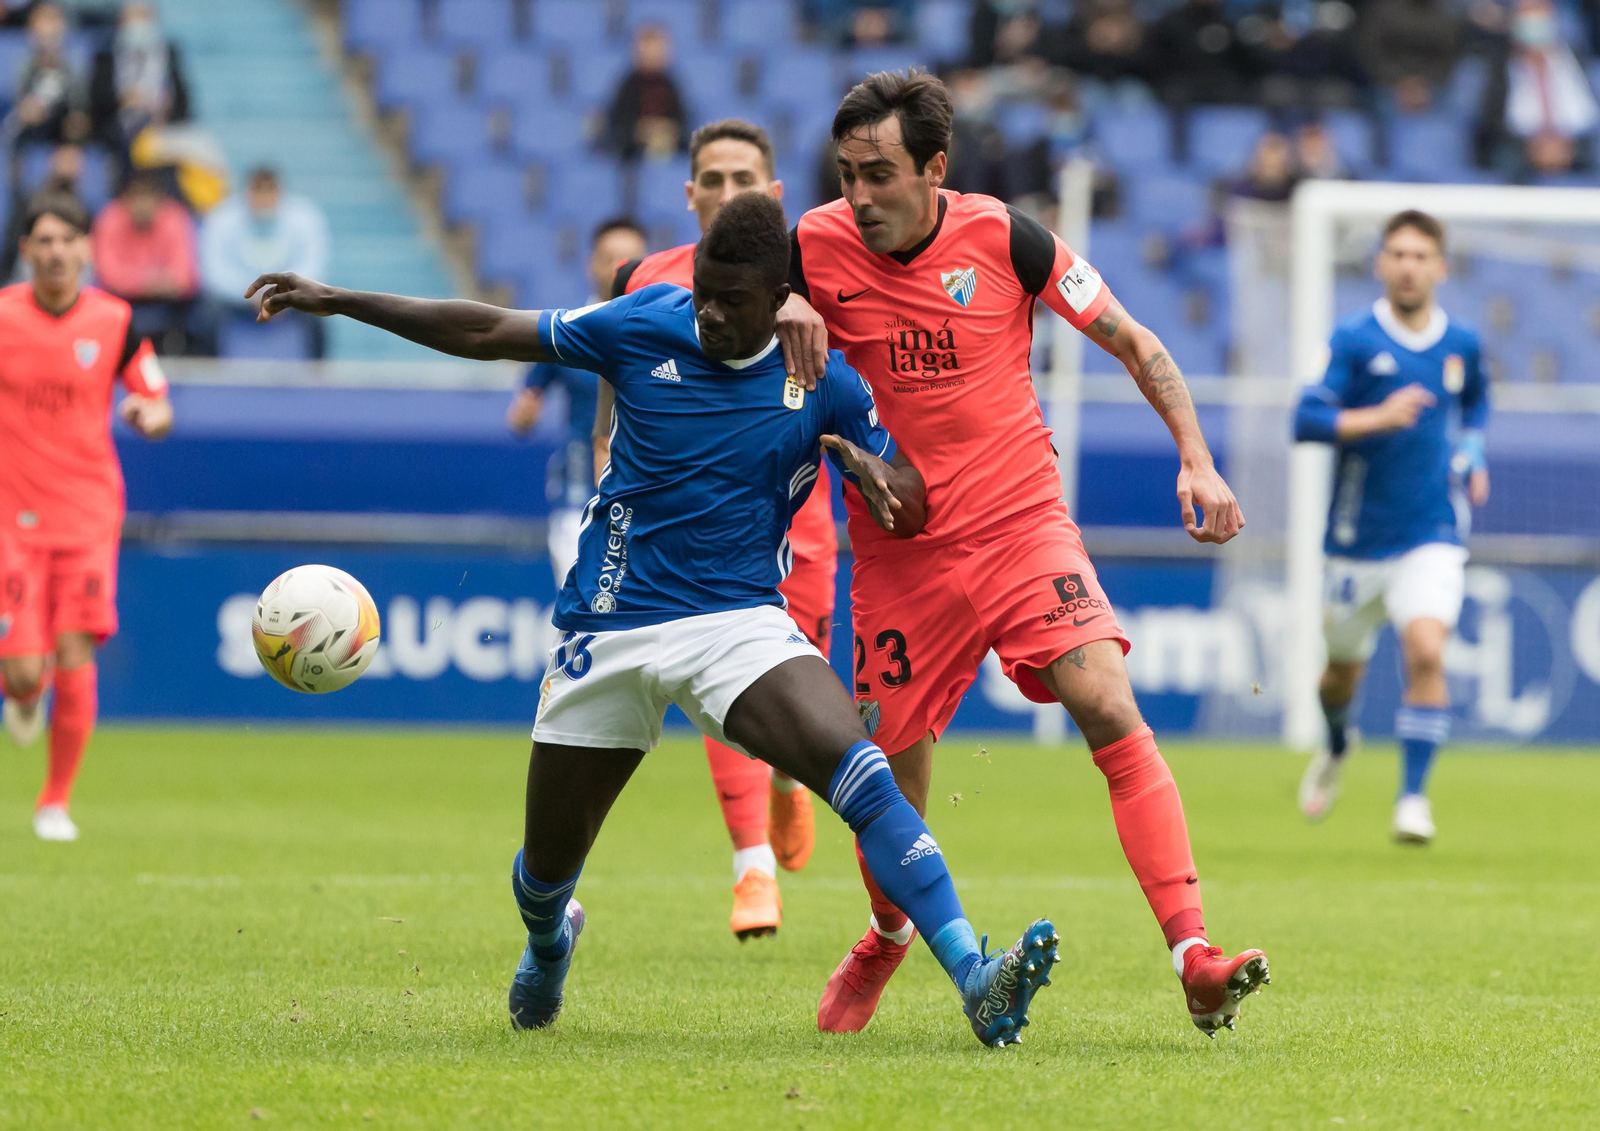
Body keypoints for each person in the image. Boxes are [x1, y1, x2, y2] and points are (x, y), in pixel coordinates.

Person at [246, 192, 1062, 1049]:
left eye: (730, 299)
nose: (707, 310)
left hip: (737, 624)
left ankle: (975, 973)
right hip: (612, 623)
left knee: (860, 772)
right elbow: (487, 330)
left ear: (777, 295)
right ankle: (550, 938)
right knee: (543, 871)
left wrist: (868, 471)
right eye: (703, 290)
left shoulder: (825, 382)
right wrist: (338, 299)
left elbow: (911, 505)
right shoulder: (643, 321)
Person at [775, 70, 1269, 1037]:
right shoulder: (811, 246)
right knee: (886, 786)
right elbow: (745, 352)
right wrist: (785, 312)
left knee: (1107, 705)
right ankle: (885, 935)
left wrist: (1198, 460)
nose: (859, 196)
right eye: (846, 175)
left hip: (1018, 526)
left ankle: (1194, 955)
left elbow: (1133, 339)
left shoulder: (1006, 237)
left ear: (935, 167)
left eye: (879, 174)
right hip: (899, 557)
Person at [600, 120, 831, 941]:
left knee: (806, 706)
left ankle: (786, 785)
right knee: (721, 695)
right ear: (688, 193)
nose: (726, 193)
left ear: (774, 197)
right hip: (687, 539)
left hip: (799, 528)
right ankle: (752, 871)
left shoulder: (815, 278)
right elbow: (611, 400)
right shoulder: (644, 282)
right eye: (711, 178)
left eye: (743, 179)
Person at [1294, 211, 1489, 844]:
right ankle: (1337, 742)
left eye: (1420, 255)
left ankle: (1412, 799)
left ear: (1441, 267)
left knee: (1427, 649)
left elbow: (1477, 403)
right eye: (1397, 254)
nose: (1408, 265)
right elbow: (1305, 419)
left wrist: (1474, 454)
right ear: (1379, 264)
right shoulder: (1353, 339)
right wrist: (1376, 418)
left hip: (1430, 531)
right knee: (1338, 678)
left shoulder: (1461, 343)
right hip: (1355, 541)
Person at [0, 192, 172, 841]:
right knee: (21, 671)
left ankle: (54, 801)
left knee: (74, 649)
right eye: (42, 241)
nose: (55, 252)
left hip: (88, 510)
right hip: (10, 515)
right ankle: (22, 692)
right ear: (26, 251)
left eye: (66, 240)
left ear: (85, 250)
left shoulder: (116, 320)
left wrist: (149, 415)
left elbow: (157, 399)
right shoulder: (3, 316)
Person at [507, 217, 645, 587]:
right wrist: (525, 411)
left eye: (630, 259)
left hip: (645, 497)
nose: (618, 267)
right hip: (579, 494)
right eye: (609, 257)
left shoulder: (661, 330)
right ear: (591, 264)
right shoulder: (565, 330)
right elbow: (521, 414)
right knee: (581, 599)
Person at [199, 165, 330, 357]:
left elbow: (313, 266)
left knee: (319, 311)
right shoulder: (222, 218)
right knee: (206, 314)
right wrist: (253, 294)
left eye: (269, 190)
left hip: (288, 297)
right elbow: (214, 272)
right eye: (258, 190)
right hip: (239, 301)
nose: (263, 198)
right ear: (247, 192)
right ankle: (210, 369)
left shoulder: (305, 217)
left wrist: (282, 295)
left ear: (280, 192)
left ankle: (317, 372)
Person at [90, 170, 198, 351]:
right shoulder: (109, 218)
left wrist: (141, 281)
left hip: (168, 305)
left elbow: (184, 278)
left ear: (159, 200)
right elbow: (109, 276)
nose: (143, 204)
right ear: (126, 199)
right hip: (122, 302)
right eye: (137, 197)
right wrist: (149, 281)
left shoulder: (176, 218)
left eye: (148, 197)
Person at [88, 1, 192, 162]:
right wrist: (123, 99)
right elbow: (96, 102)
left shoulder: (168, 54)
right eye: (131, 17)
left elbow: (184, 105)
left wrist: (160, 106)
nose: (137, 24)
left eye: (143, 16)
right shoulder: (105, 56)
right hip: (116, 139)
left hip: (160, 135)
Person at [601, 24, 687, 160]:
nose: (652, 54)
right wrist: (641, 130)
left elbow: (683, 122)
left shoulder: (671, 84)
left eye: (657, 48)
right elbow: (616, 123)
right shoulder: (628, 84)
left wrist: (666, 129)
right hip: (632, 153)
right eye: (648, 48)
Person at [10, 3, 88, 150]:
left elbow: (79, 109)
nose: (48, 44)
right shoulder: (25, 70)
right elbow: (19, 103)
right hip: (32, 130)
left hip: (63, 133)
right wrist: (27, 110)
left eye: (53, 37)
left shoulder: (72, 71)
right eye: (43, 37)